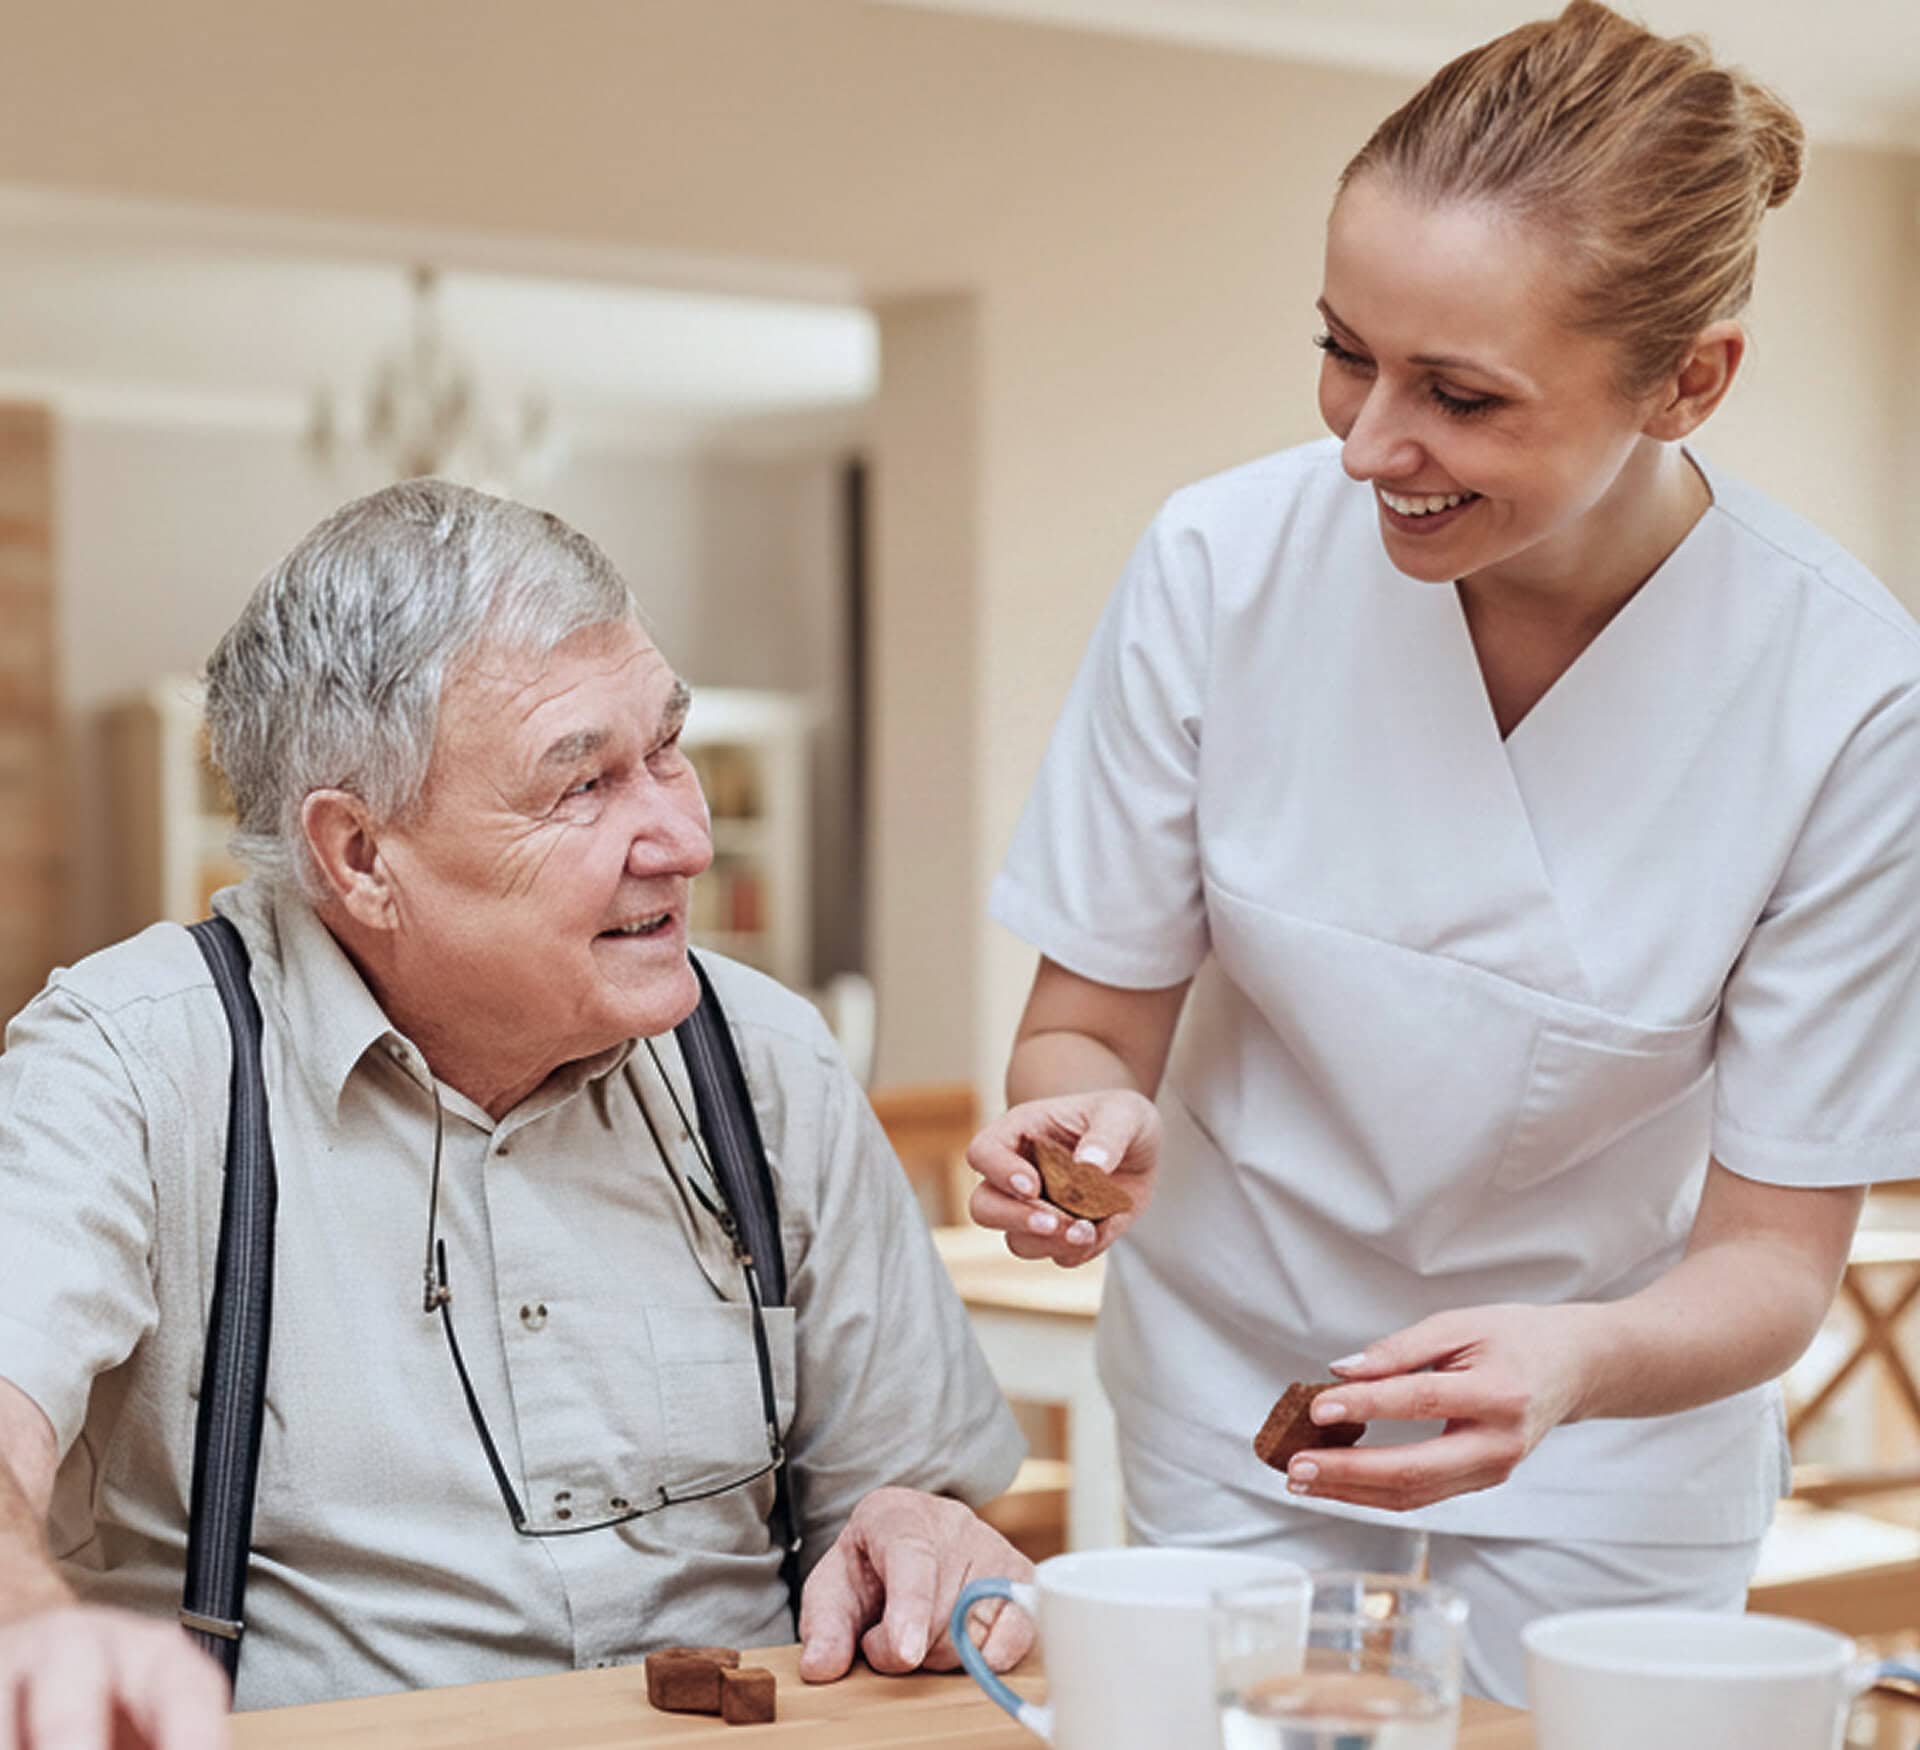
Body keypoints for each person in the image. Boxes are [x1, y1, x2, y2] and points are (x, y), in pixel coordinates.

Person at [966, 0, 1920, 1704]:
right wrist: (1076, 1122)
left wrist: (1574, 1368)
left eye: (1460, 395)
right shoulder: (1220, 568)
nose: (1365, 444)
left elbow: (1775, 1264)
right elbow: (1090, 1027)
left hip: (1614, 1440)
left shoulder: (1843, 697)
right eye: (1346, 350)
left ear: (1688, 381)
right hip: (1233, 1403)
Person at [0, 480, 1032, 1746]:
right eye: (583, 785)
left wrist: (917, 1529)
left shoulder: (765, 1061)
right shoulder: (133, 1060)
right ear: (362, 855)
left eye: (667, 748)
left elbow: (911, 1483)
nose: (685, 837)